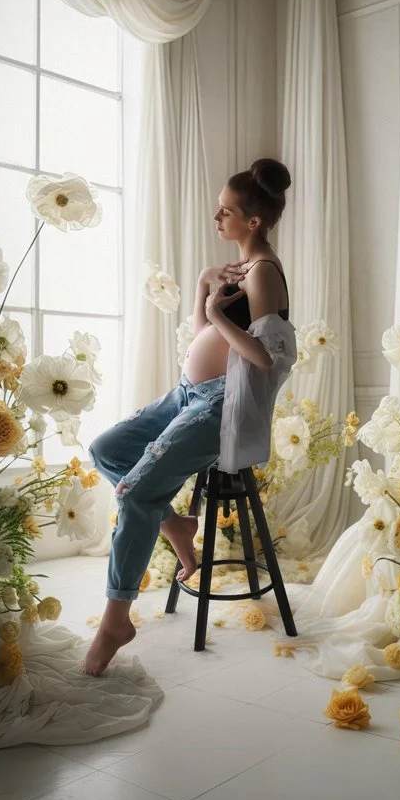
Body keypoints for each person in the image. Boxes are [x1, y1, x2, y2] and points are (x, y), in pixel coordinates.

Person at [83, 159, 297, 675]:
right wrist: (206, 286)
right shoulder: (237, 268)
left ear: (255, 222)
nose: (216, 217)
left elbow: (265, 357)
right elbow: (205, 332)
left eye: (227, 211)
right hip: (185, 393)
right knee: (106, 449)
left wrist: (221, 314)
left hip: (220, 406)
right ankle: (176, 525)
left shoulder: (265, 272)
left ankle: (117, 619)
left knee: (135, 490)